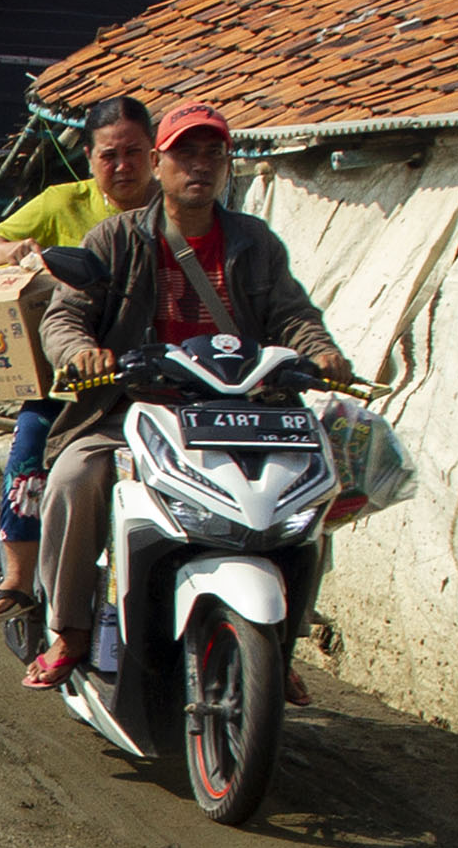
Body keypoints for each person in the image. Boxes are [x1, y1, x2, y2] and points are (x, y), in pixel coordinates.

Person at [26, 100, 355, 691]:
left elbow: (293, 313)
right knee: (76, 478)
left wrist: (320, 351)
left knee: (309, 496)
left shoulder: (256, 242)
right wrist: (82, 354)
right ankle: (71, 630)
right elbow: (66, 316)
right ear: (159, 162)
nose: (199, 166)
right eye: (184, 153)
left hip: (240, 412)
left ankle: (278, 642)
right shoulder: (116, 238)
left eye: (213, 153)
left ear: (227, 163)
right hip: (133, 407)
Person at [0, 97, 155, 622]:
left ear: (154, 153)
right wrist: (12, 251)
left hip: (156, 385)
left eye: (133, 153)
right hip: (70, 383)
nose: (122, 166)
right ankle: (19, 580)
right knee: (30, 456)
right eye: (108, 155)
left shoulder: (175, 212)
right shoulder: (62, 202)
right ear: (89, 158)